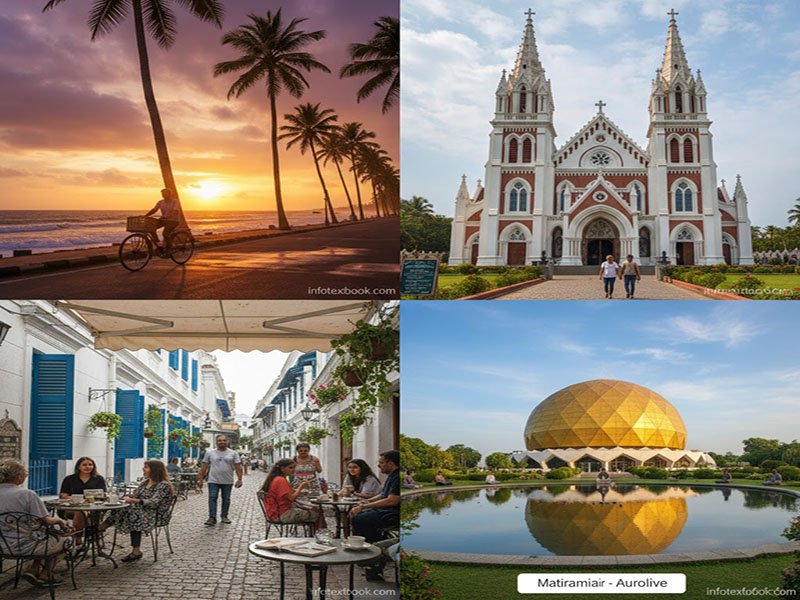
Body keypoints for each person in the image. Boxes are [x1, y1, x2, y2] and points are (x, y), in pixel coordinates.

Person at [0, 459, 71, 587]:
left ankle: (33, 570)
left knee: (43, 534)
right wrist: (60, 520)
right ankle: (45, 574)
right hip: (26, 545)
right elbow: (46, 520)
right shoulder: (26, 494)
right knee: (65, 539)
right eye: (25, 472)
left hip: (3, 544)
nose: (26, 474)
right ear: (19, 476)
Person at [101, 460, 174, 562]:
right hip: (140, 511)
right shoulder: (145, 483)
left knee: (131, 513)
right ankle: (102, 528)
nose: (143, 469)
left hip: (155, 514)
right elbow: (135, 495)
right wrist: (127, 497)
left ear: (154, 470)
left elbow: (154, 502)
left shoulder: (163, 484)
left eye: (146, 467)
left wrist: (134, 500)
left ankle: (100, 529)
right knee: (121, 508)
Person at [350, 451, 401, 582]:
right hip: (386, 511)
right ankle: (367, 556)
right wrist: (367, 503)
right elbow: (383, 495)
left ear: (390, 463)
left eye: (381, 462)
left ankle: (373, 557)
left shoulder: (397, 477)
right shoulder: (391, 475)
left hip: (393, 514)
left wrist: (364, 506)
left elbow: (392, 500)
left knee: (361, 519)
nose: (378, 465)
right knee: (358, 516)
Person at [261, 458, 323, 532]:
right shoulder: (281, 480)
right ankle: (320, 534)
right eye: (290, 468)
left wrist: (300, 491)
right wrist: (300, 487)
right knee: (317, 513)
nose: (293, 470)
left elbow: (287, 494)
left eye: (294, 468)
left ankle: (313, 534)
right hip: (282, 514)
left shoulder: (275, 478)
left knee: (309, 509)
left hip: (274, 513)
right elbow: (292, 498)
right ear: (282, 468)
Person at [58, 456, 106, 544]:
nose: (88, 467)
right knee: (81, 512)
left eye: (90, 465)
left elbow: (102, 495)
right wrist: (74, 500)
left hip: (93, 507)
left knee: (84, 513)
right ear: (78, 467)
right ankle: (83, 537)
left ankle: (78, 537)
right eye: (84, 465)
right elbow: (63, 494)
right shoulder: (69, 479)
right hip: (71, 507)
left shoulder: (99, 479)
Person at [196, 435, 242, 525]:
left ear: (227, 441)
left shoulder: (233, 453)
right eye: (220, 440)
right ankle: (212, 518)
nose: (222, 442)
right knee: (212, 498)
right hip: (213, 480)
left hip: (228, 480)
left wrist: (239, 479)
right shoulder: (210, 453)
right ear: (216, 442)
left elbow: (238, 467)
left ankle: (224, 516)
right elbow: (204, 467)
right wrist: (200, 479)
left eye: (224, 440)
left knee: (226, 499)